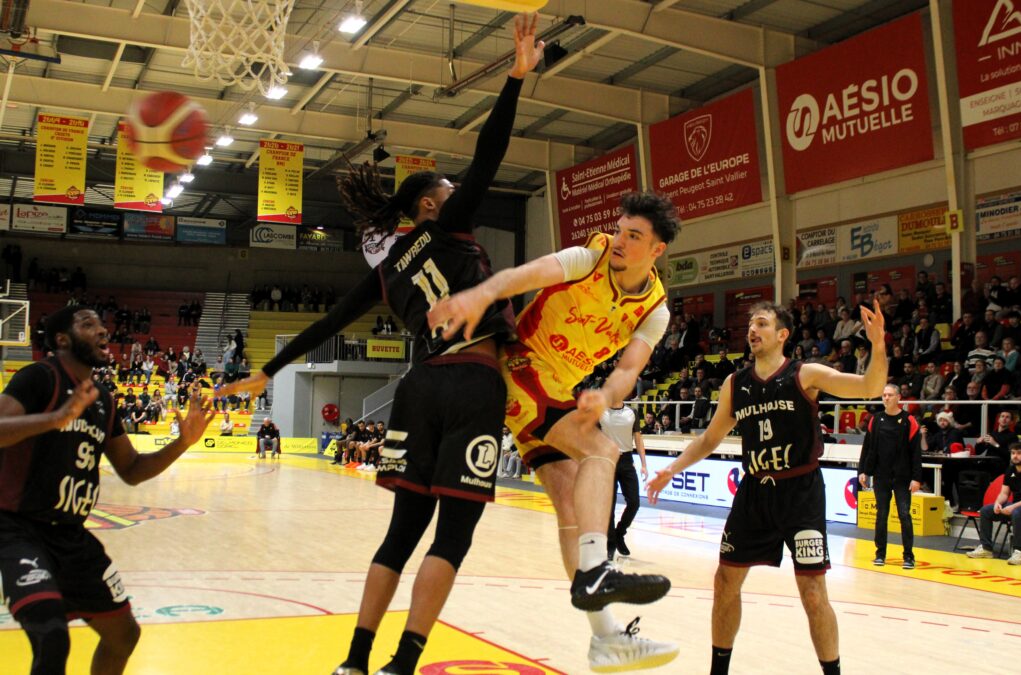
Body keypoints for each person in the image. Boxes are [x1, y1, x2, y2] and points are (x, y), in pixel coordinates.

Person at [224, 15, 546, 675]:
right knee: (453, 536)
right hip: (471, 382)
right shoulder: (450, 227)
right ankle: (403, 662)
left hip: (417, 387)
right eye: (448, 190)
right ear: (430, 206)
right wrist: (515, 80)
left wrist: (269, 370)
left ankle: (355, 660)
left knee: (401, 533)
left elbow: (325, 326)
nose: (458, 191)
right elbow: (489, 155)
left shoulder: (386, 270)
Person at [428, 191, 681, 671]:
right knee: (603, 450)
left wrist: (606, 395)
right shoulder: (589, 257)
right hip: (522, 366)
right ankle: (598, 568)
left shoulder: (656, 310)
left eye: (634, 236)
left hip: (556, 391)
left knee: (571, 506)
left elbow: (629, 369)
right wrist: (481, 294)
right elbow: (524, 275)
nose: (620, 240)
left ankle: (605, 639)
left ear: (657, 249)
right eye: (620, 229)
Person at [646, 300, 888, 675]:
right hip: (754, 492)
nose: (752, 330)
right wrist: (671, 469)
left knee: (813, 593)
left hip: (801, 493)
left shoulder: (805, 374)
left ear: (782, 335)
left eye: (761, 323)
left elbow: (871, 387)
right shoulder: (735, 383)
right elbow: (709, 439)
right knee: (725, 581)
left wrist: (878, 344)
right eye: (750, 324)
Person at [0, 305, 214, 675]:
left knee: (124, 635)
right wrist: (56, 418)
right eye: (88, 324)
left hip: (71, 536)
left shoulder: (102, 398)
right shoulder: (39, 377)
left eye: (102, 324)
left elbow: (131, 470)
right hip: (20, 529)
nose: (102, 330)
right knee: (52, 636)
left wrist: (182, 444)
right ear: (62, 339)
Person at [857, 384, 923, 569]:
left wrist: (916, 478)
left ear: (898, 398)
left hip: (903, 477)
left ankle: (908, 556)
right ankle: (880, 554)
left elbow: (916, 453)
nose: (886, 398)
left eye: (890, 395)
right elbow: (867, 448)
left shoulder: (909, 420)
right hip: (881, 476)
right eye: (884, 395)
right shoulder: (876, 419)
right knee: (881, 515)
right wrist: (863, 471)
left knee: (904, 515)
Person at [967, 442, 1021, 565]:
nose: (1015, 456)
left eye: (1019, 453)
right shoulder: (1010, 471)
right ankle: (986, 548)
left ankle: (1019, 553)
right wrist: (997, 503)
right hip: (1016, 507)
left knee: (1017, 513)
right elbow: (1004, 493)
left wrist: (1013, 506)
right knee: (986, 510)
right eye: (1013, 453)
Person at [599, 400, 648, 560]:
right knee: (609, 506)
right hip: (607, 460)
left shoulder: (632, 412)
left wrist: (644, 464)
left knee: (634, 503)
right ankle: (611, 543)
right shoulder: (600, 412)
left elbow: (638, 439)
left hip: (627, 460)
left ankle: (619, 533)